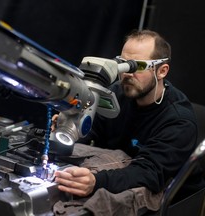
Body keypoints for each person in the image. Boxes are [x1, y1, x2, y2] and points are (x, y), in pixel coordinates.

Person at [53, 29, 205, 206]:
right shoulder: (116, 94)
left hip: (173, 200)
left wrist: (96, 182)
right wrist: (69, 127)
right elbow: (91, 132)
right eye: (123, 64)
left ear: (162, 71)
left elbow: (149, 172)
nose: (127, 73)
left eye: (137, 66)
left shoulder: (179, 120)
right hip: (121, 170)